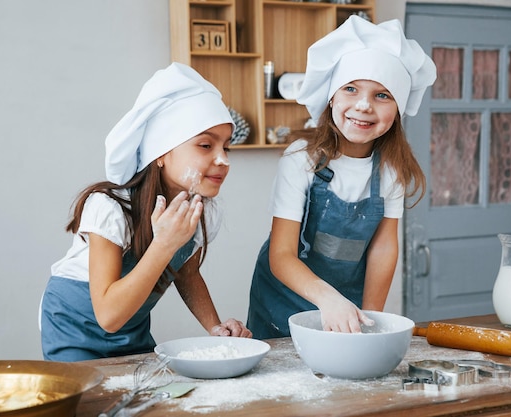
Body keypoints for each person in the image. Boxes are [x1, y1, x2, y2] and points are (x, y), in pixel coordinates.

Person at [40, 62, 252, 362]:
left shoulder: (200, 210)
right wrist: (163, 244)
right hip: (75, 327)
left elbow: (187, 273)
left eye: (226, 147)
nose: (223, 160)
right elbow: (109, 316)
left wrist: (215, 328)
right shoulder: (110, 207)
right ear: (162, 153)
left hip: (132, 328)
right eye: (206, 145)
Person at [247, 15, 436, 339]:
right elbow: (281, 255)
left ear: (398, 110)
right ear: (332, 96)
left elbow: (383, 248)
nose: (363, 106)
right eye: (351, 89)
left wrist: (372, 319)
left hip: (348, 302)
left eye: (382, 95)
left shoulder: (391, 168)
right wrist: (327, 299)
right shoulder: (302, 158)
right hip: (285, 300)